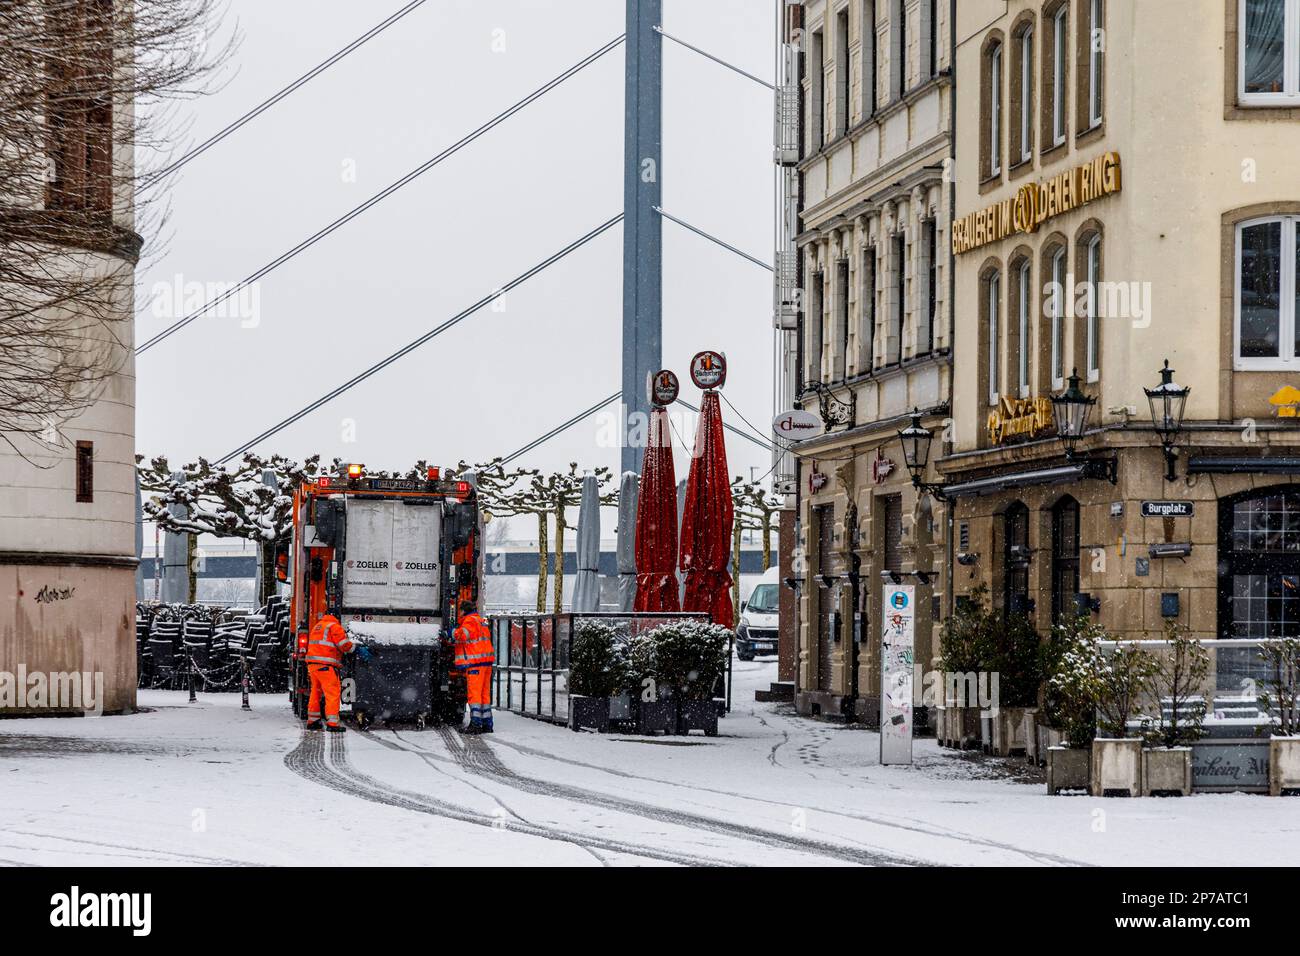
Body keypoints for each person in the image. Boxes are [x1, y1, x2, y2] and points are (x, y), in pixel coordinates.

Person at [304, 613, 356, 732]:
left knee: (315, 692)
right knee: (332, 693)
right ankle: (332, 723)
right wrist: (354, 648)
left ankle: (313, 720)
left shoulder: (318, 626)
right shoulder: (334, 626)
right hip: (326, 666)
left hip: (313, 665)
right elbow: (343, 645)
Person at [452, 599, 495, 734]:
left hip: (476, 663)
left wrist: (451, 633)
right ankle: (487, 723)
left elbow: (462, 635)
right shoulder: (480, 621)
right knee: (484, 694)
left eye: (460, 610)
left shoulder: (470, 621)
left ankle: (476, 724)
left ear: (464, 610)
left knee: (474, 694)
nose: (459, 613)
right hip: (486, 663)